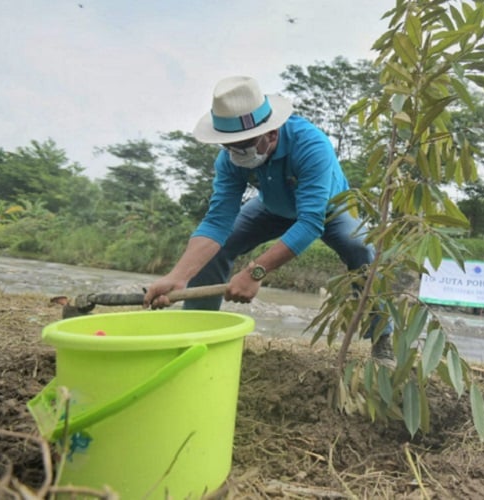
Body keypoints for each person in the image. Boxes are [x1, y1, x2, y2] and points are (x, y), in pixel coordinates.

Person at [143, 75, 393, 363]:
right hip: (272, 207)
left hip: (329, 209)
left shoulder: (311, 145)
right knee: (220, 247)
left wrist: (255, 272)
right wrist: (178, 277)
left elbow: (311, 222)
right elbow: (216, 223)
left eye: (243, 145)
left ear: (271, 133)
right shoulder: (230, 160)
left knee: (360, 249)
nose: (235, 154)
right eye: (229, 146)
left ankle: (381, 338)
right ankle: (199, 331)